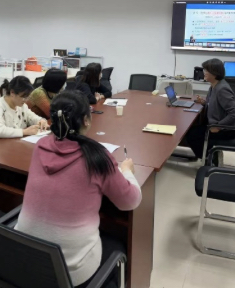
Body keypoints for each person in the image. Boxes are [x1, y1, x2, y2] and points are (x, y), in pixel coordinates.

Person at [15, 90, 141, 288]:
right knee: (118, 244)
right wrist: (127, 171)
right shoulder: (98, 157)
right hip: (69, 274)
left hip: (21, 260)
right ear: (86, 120)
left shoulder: (40, 145)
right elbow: (130, 201)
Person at [183, 59, 235, 165]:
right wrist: (204, 102)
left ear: (215, 73)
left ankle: (209, 159)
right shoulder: (214, 85)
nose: (204, 72)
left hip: (225, 129)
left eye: (206, 70)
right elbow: (214, 103)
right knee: (192, 128)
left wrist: (218, 126)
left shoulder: (222, 89)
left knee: (191, 135)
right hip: (215, 123)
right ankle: (210, 154)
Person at [0, 76, 48, 144]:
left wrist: (41, 121)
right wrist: (24, 132)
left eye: (27, 97)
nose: (26, 100)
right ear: (12, 92)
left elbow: (32, 117)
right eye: (23, 97)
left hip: (8, 143)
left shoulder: (21, 105)